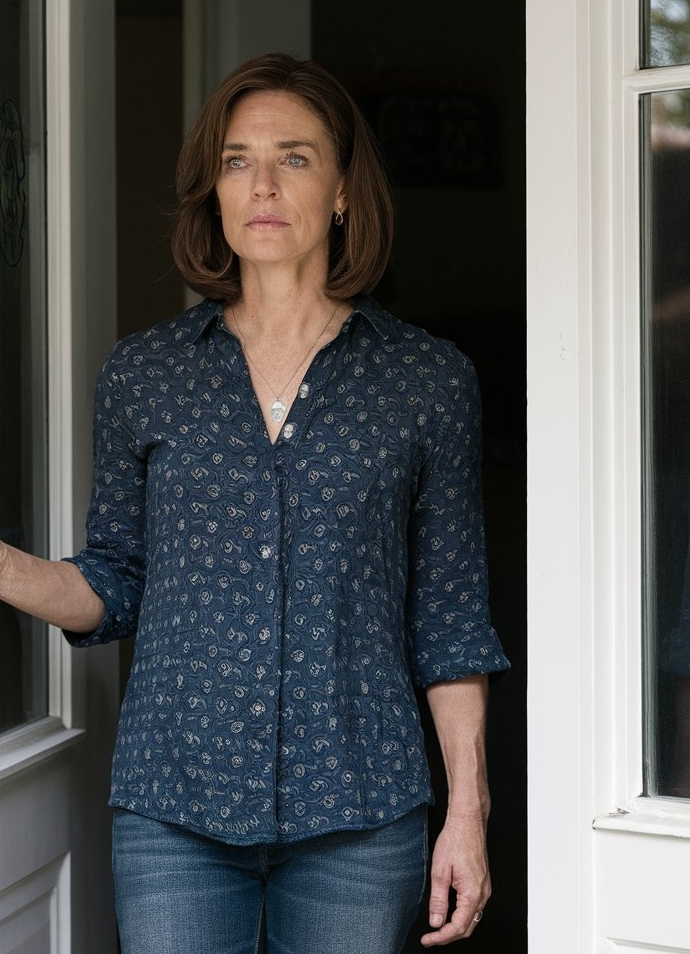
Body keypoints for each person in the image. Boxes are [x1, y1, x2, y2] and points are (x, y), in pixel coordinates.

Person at [0, 52, 510, 954]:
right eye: (237, 160)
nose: (262, 185)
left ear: (345, 189)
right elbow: (114, 584)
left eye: (295, 158)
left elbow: (452, 622)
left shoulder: (427, 380)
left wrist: (467, 814)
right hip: (174, 814)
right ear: (214, 189)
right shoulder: (145, 373)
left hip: (362, 813)